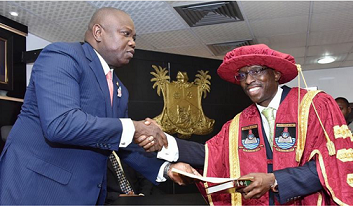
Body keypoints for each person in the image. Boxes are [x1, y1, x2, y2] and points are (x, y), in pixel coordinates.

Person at [0, 7, 195, 205]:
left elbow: (121, 142)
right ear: (98, 32)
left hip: (84, 195)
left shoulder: (120, 89)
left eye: (134, 37)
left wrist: (167, 169)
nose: (133, 42)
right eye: (126, 34)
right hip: (38, 190)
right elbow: (61, 123)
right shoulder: (62, 55)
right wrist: (134, 127)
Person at [160, 44, 353, 205]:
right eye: (242, 75)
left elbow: (333, 165)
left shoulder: (314, 106)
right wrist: (163, 142)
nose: (249, 80)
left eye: (256, 71)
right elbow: (212, 155)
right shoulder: (239, 122)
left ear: (276, 74)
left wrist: (275, 180)